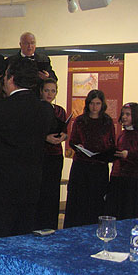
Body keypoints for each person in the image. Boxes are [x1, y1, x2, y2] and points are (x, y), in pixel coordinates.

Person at [0, 59, 54, 239]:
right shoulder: (45, 109)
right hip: (30, 185)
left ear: (11, 78)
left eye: (5, 76)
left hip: (0, 188)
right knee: (22, 238)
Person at [64, 90, 116, 228]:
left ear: (102, 105)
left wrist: (103, 151)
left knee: (96, 201)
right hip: (82, 165)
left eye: (98, 104)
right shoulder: (80, 120)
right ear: (88, 104)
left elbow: (111, 143)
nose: (94, 107)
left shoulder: (107, 121)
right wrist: (79, 146)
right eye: (92, 103)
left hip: (99, 166)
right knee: (79, 200)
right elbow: (72, 141)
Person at [35, 78, 68, 230]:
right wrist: (44, 138)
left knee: (53, 192)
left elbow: (65, 132)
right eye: (47, 90)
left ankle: (51, 227)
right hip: (39, 155)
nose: (50, 94)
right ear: (41, 91)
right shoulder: (35, 108)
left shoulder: (60, 110)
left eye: (53, 91)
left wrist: (63, 137)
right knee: (39, 192)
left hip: (55, 155)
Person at [107, 102, 138, 220]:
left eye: (128, 114)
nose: (124, 117)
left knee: (129, 210)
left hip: (132, 179)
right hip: (117, 177)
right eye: (123, 114)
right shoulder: (122, 134)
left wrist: (128, 154)